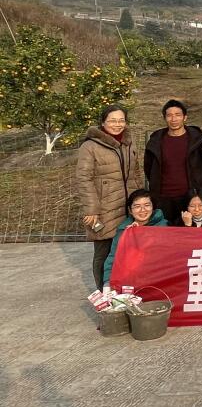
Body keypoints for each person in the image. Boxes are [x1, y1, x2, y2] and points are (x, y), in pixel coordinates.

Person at [77, 104, 143, 289]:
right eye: (112, 120)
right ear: (103, 122)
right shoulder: (90, 146)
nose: (117, 124)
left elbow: (136, 172)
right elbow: (84, 178)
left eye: (121, 120)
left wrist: (140, 199)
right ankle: (103, 292)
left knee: (127, 250)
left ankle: (124, 290)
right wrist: (91, 209)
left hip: (128, 206)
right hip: (104, 208)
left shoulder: (129, 142)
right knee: (104, 252)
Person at [143, 99, 202, 224]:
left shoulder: (198, 140)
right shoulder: (155, 141)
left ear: (185, 117)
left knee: (188, 232)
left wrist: (201, 188)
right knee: (164, 231)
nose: (174, 119)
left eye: (178, 115)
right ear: (165, 118)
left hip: (189, 199)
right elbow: (149, 168)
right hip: (163, 198)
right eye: (169, 115)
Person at [101, 189, 167, 285]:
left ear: (153, 207)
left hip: (158, 278)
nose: (143, 210)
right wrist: (107, 282)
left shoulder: (165, 227)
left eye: (147, 205)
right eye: (137, 206)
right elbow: (113, 258)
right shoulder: (124, 230)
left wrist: (141, 234)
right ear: (130, 210)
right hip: (131, 280)